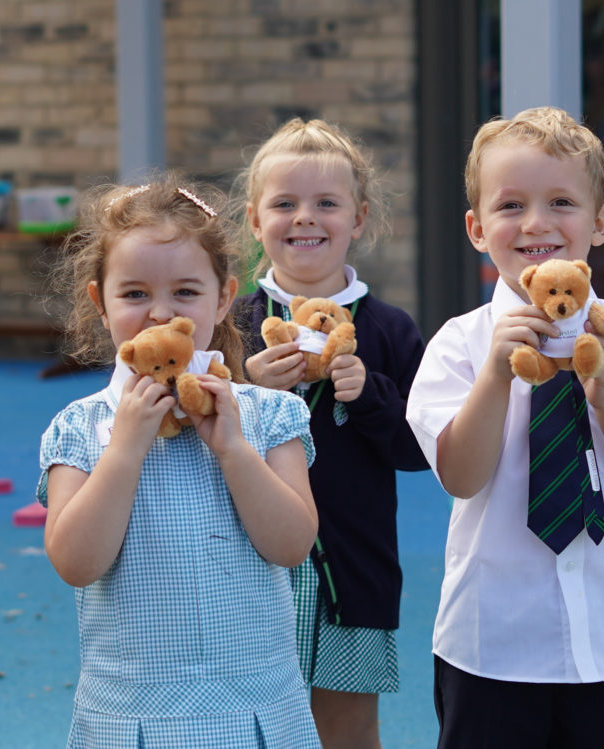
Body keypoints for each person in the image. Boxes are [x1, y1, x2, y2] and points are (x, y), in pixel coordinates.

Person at [406, 106, 604, 748]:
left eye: (561, 201)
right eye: (511, 206)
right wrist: (494, 376)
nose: (536, 223)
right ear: (477, 229)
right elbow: (461, 475)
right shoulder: (459, 344)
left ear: (600, 222)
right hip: (492, 643)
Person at [38, 176, 321, 748]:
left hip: (255, 709)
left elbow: (292, 545)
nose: (160, 312)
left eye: (185, 293)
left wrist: (234, 450)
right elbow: (74, 562)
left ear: (222, 300)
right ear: (101, 302)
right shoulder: (80, 425)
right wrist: (123, 451)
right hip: (130, 714)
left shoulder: (268, 413)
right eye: (135, 294)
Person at [232, 118, 429, 749]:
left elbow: (419, 452)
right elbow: (185, 441)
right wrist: (247, 390)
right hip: (242, 569)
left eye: (326, 203)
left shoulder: (392, 330)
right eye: (284, 203)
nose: (304, 218)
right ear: (254, 219)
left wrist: (370, 396)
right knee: (245, 726)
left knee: (347, 730)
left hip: (355, 569)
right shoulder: (228, 322)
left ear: (359, 217)